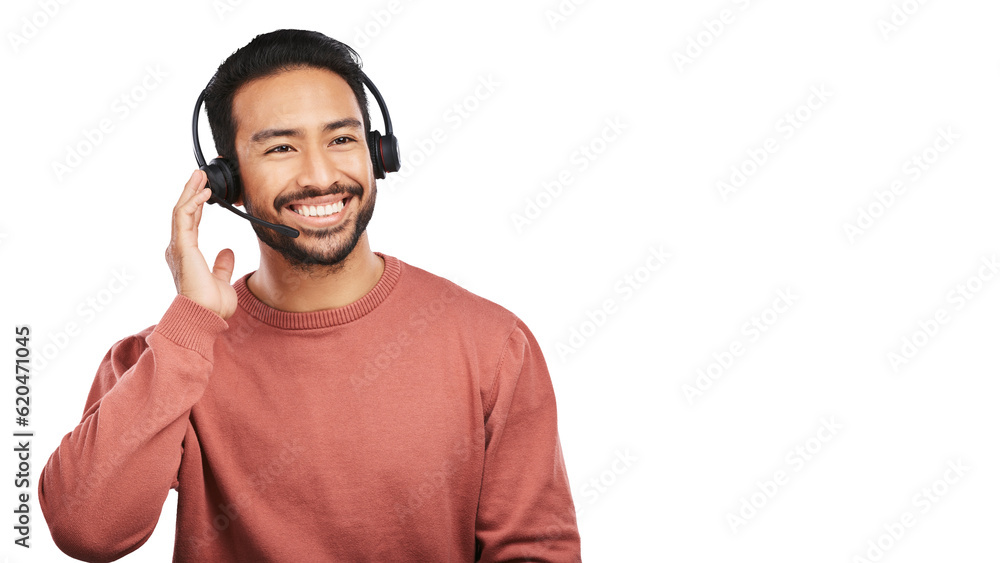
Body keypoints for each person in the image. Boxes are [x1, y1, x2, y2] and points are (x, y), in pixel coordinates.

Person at [38, 29, 581, 562]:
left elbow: (536, 553)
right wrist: (190, 327)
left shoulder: (492, 345)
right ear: (226, 182)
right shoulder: (168, 356)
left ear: (378, 153)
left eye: (342, 139)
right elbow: (86, 531)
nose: (321, 176)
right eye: (280, 147)